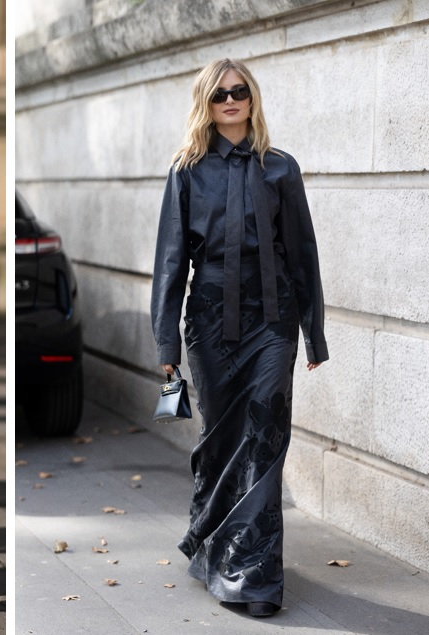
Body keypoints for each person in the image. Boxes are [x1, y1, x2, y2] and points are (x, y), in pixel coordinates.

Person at [150, 58, 328, 619]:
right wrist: (166, 350)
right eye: (221, 94)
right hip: (208, 324)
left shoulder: (282, 169)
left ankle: (254, 577)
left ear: (253, 98)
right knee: (221, 442)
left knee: (266, 437)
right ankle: (211, 545)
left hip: (272, 322)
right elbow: (170, 263)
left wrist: (313, 333)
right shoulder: (186, 170)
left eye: (240, 91)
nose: (231, 101)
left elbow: (302, 254)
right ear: (206, 102)